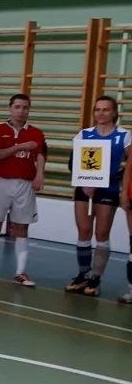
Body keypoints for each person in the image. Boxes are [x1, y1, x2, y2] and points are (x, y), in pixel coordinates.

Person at [0, 93, 46, 286]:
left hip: (25, 183)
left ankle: (20, 272)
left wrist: (39, 175)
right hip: (1, 182)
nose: (21, 111)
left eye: (25, 107)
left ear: (29, 110)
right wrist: (20, 146)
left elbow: (41, 154)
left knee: (22, 227)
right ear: (10, 108)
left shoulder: (36, 133)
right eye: (17, 107)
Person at [66, 96, 127, 297]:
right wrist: (85, 183)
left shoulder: (124, 136)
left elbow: (130, 165)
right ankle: (83, 274)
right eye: (97, 109)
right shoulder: (84, 134)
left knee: (101, 233)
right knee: (84, 231)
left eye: (106, 109)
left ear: (114, 112)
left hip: (108, 190)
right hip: (84, 189)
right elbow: (73, 163)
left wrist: (116, 181)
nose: (101, 113)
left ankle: (96, 277)